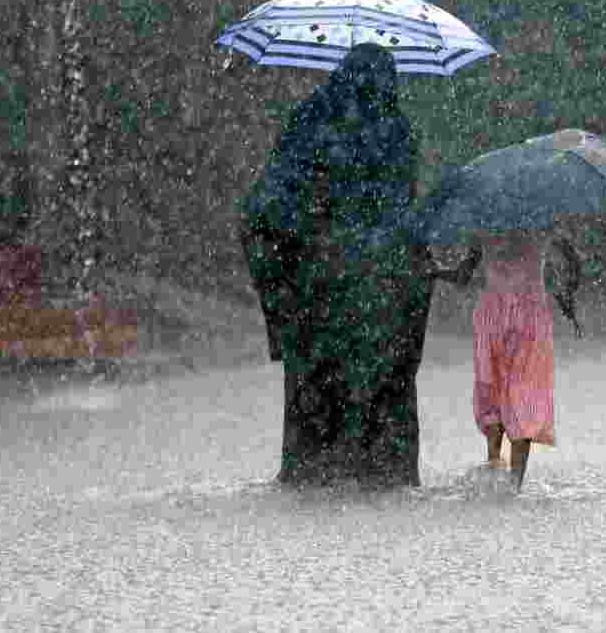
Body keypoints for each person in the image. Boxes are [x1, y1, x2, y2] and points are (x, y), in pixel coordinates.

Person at [239, 42, 472, 487]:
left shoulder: (308, 123)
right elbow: (401, 214)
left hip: (319, 301)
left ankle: (314, 481)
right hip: (389, 300)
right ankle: (384, 481)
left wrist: (286, 297)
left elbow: (266, 214)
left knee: (316, 417)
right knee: (387, 410)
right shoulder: (396, 130)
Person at [438, 225, 583, 491]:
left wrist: (431, 272)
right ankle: (515, 483)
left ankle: (493, 464)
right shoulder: (543, 222)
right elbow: (575, 263)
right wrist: (567, 294)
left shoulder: (484, 223)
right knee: (525, 394)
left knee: (490, 390)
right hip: (530, 317)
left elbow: (462, 276)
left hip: (492, 316)